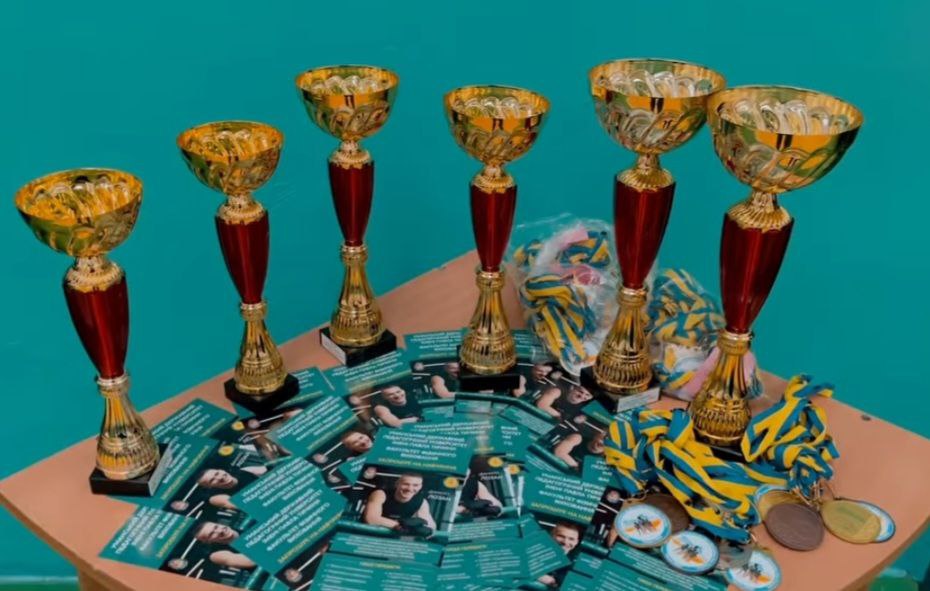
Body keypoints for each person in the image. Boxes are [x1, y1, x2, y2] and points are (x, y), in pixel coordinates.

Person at [363, 473, 436, 536]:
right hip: (367, 535)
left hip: (394, 539)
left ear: (420, 487)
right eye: (406, 484)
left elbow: (429, 525)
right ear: (397, 484)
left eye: (415, 485)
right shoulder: (380, 494)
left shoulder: (421, 501)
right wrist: (399, 525)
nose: (410, 489)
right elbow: (371, 519)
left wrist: (423, 528)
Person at [537, 522, 582, 587]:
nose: (565, 542)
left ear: (576, 542)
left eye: (571, 539)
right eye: (561, 536)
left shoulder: (577, 564)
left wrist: (552, 581)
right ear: (551, 536)